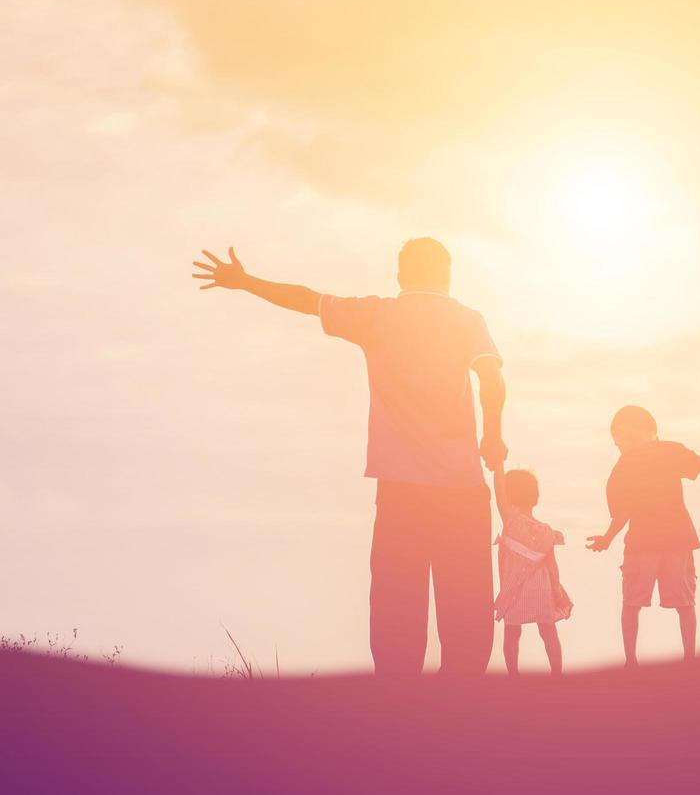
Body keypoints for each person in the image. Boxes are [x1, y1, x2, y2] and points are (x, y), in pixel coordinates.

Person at [190, 238, 507, 676]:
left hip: (401, 491)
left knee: (397, 614)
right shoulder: (468, 319)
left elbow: (306, 299)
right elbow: (491, 378)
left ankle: (397, 719)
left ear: (401, 276)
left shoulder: (375, 315)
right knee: (467, 615)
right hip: (462, 487)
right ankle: (464, 719)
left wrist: (245, 282)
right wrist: (493, 436)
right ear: (447, 275)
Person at [586, 406, 700, 666]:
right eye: (618, 442)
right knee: (676, 604)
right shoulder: (656, 456)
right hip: (669, 541)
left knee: (644, 604)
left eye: (624, 439)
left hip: (654, 543)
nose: (622, 446)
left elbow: (622, 514)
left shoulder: (640, 461)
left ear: (644, 432)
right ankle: (671, 660)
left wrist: (608, 539)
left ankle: (639, 662)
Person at [489, 465, 572, 675]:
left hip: (516, 588)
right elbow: (552, 566)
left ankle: (513, 676)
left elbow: (498, 490)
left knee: (512, 632)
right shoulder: (546, 531)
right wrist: (557, 592)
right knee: (548, 630)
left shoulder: (512, 519)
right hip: (542, 587)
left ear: (509, 496)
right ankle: (557, 674)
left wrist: (498, 463)